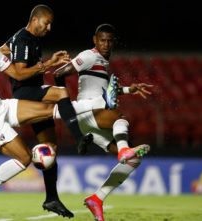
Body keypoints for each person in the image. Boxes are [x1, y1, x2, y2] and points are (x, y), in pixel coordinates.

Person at [0, 19, 101, 220]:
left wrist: (48, 64)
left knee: (49, 109)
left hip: (1, 106)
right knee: (24, 158)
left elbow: (17, 74)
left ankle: (99, 102)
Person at [0, 4, 102, 218]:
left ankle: (51, 198)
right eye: (47, 23)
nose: (49, 28)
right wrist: (48, 64)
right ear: (35, 19)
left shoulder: (23, 38)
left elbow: (2, 50)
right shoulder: (25, 38)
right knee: (61, 93)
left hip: (34, 90)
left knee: (50, 147)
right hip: (26, 92)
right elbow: (18, 74)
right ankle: (79, 137)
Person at [52, 24, 153, 221]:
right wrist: (66, 104)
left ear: (113, 42)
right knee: (120, 117)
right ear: (94, 40)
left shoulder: (103, 62)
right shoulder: (89, 56)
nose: (105, 44)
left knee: (134, 160)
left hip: (94, 118)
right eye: (102, 40)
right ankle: (124, 149)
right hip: (88, 112)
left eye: (109, 41)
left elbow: (103, 89)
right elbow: (59, 73)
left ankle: (97, 199)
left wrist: (127, 90)